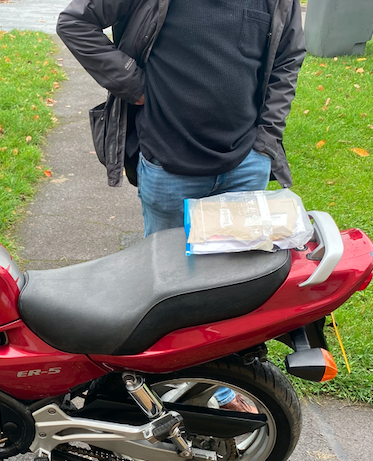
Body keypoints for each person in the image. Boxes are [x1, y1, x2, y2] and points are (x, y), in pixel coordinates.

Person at [57, 0, 305, 412]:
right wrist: (134, 84)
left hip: (245, 161)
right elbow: (76, 22)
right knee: (168, 290)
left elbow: (287, 57)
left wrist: (266, 137)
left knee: (235, 289)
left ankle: (222, 390)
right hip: (168, 164)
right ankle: (161, 390)